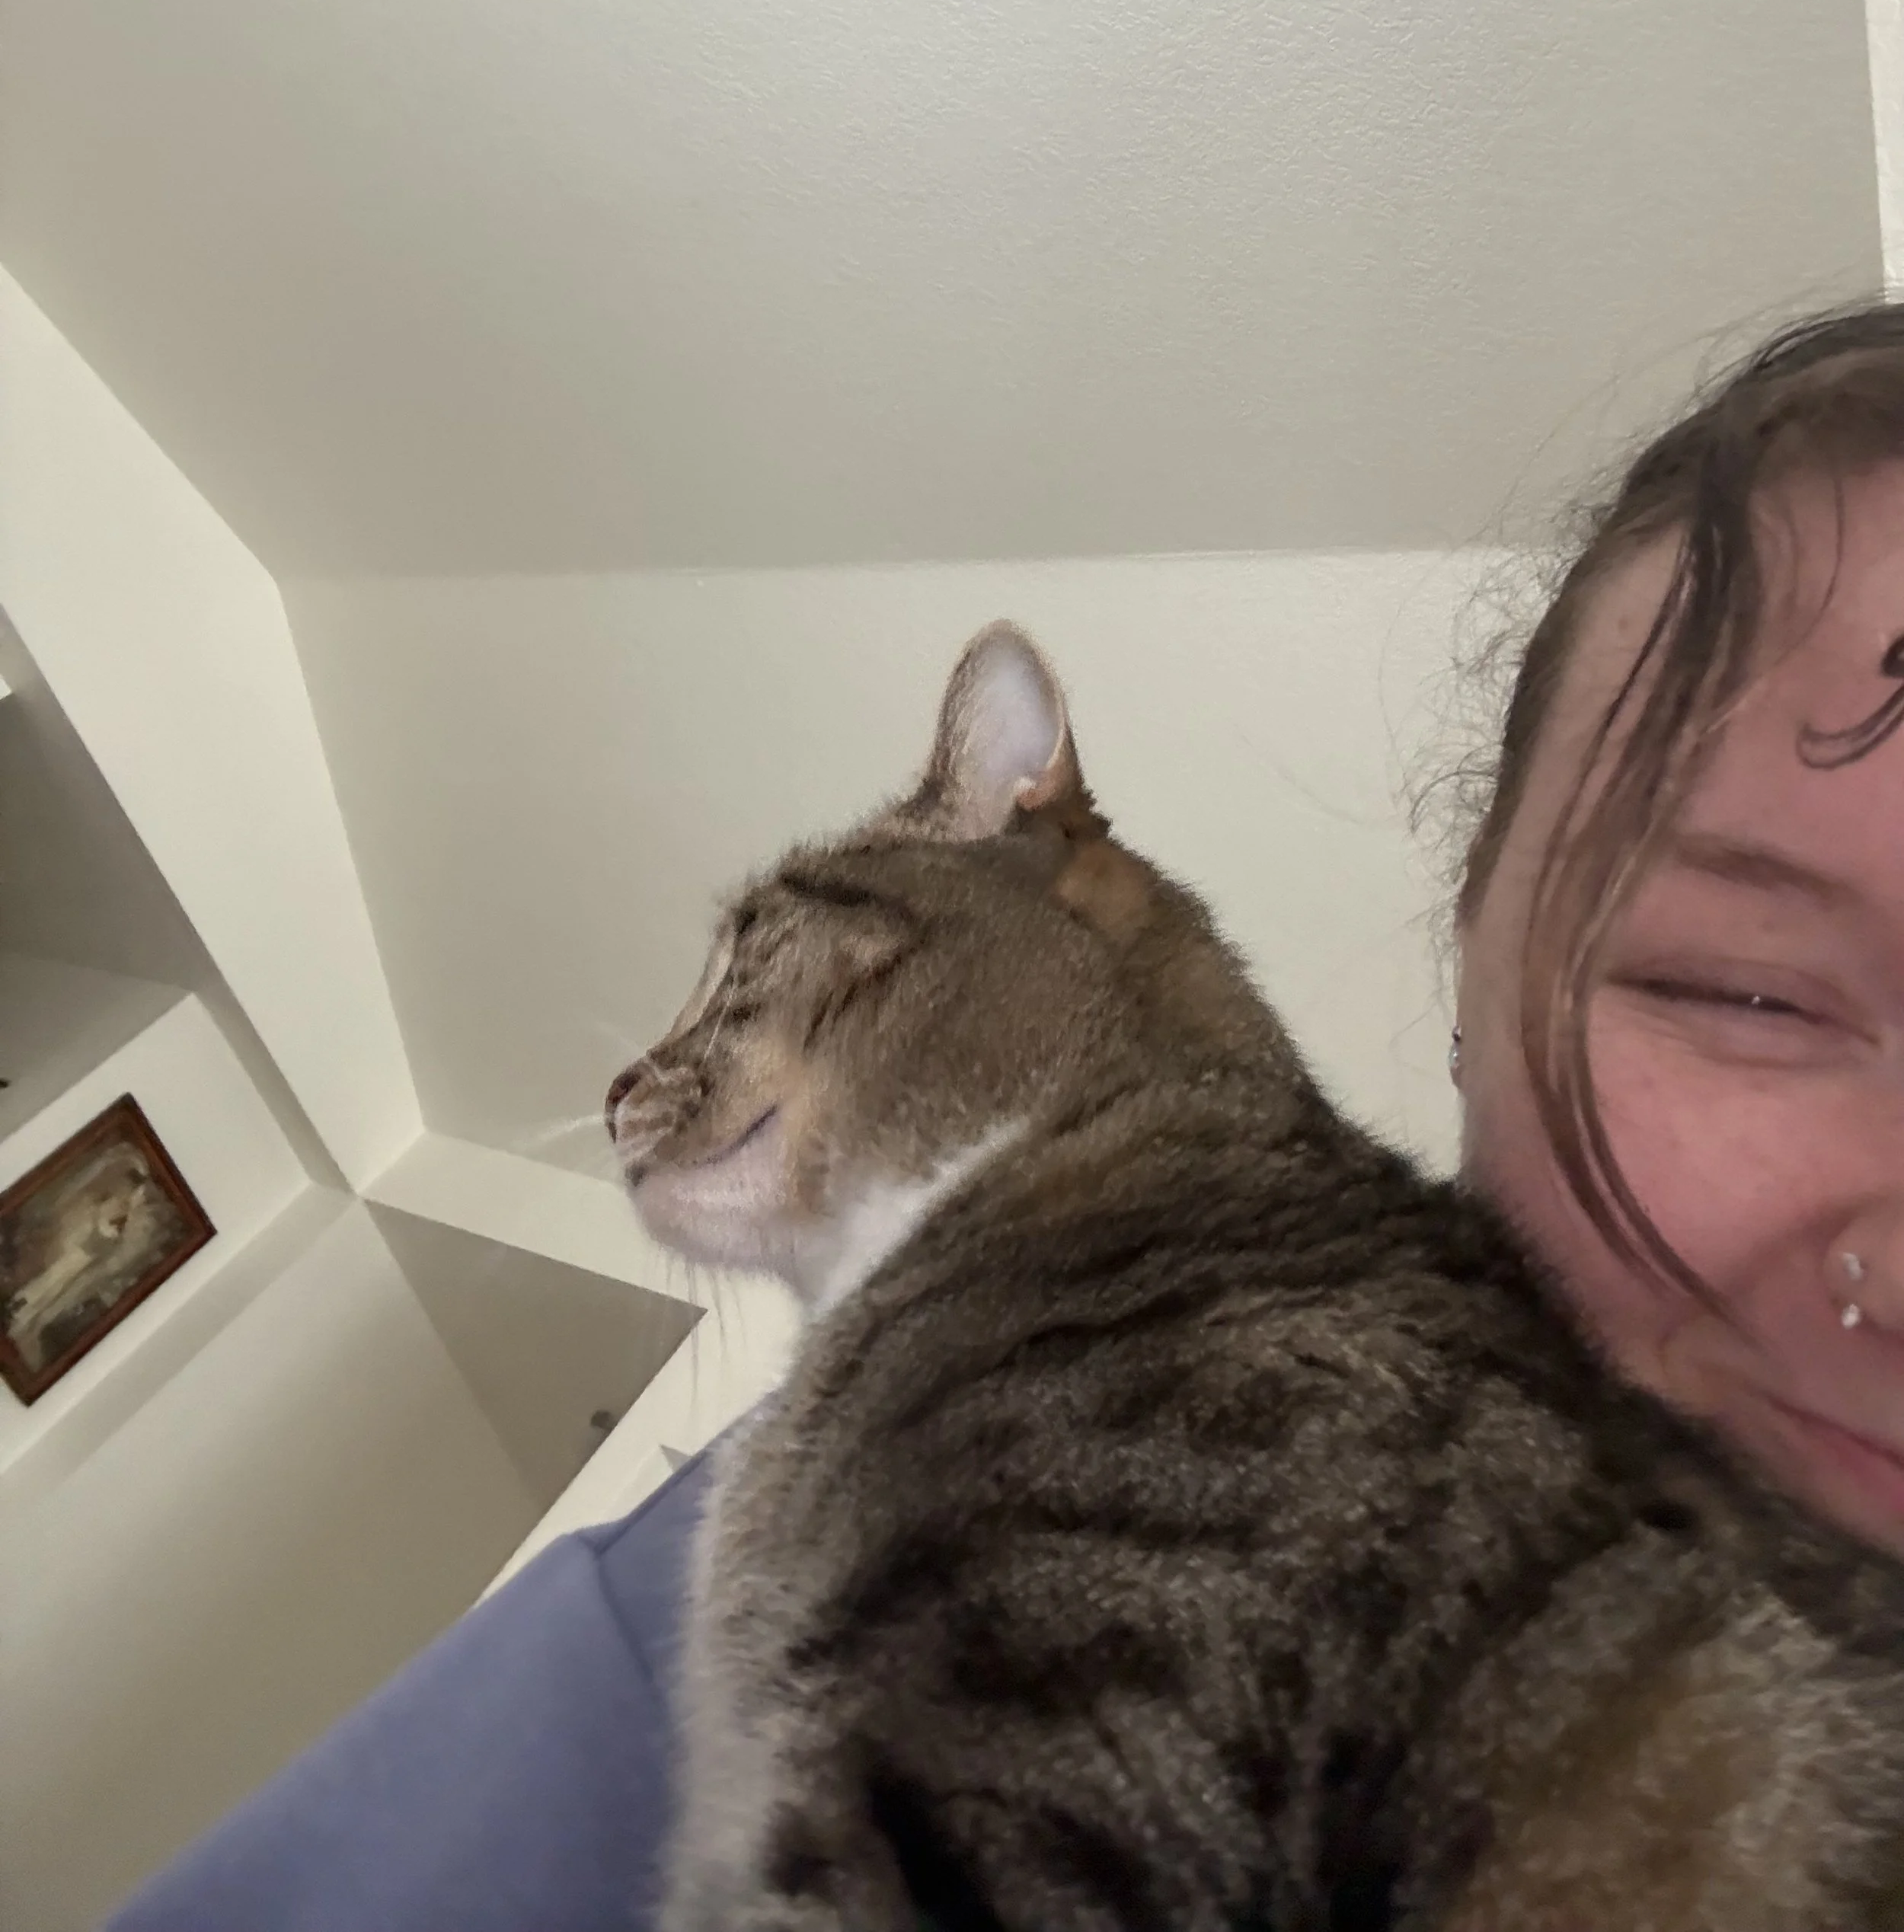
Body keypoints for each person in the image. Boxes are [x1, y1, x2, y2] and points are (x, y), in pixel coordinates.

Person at [110, 302, 1904, 1928]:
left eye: (748, 961)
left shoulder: (1266, 1391)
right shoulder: (648, 1604)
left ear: (1042, 866)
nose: (636, 1077)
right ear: (1463, 982)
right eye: (1747, 990)